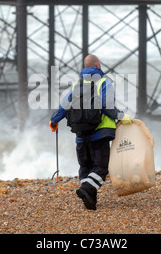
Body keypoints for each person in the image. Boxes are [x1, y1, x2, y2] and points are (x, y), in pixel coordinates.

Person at [49, 55, 131, 210]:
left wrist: (54, 121)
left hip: (81, 136)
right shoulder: (104, 82)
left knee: (86, 168)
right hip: (100, 134)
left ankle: (90, 200)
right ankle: (87, 190)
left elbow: (63, 107)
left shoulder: (76, 85)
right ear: (98, 65)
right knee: (101, 167)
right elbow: (107, 107)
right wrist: (122, 116)